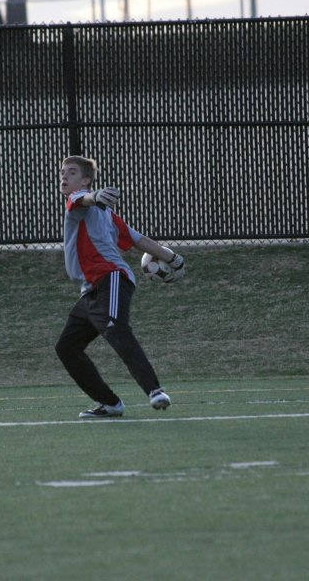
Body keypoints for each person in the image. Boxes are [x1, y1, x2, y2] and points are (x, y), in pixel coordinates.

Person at [55, 155, 185, 419]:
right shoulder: (82, 204)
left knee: (116, 329)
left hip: (111, 278)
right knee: (66, 347)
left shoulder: (88, 204)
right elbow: (87, 202)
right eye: (62, 173)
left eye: (71, 172)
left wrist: (174, 259)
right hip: (90, 289)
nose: (64, 177)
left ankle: (154, 390)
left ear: (86, 181)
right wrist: (172, 258)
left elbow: (138, 239)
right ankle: (110, 403)